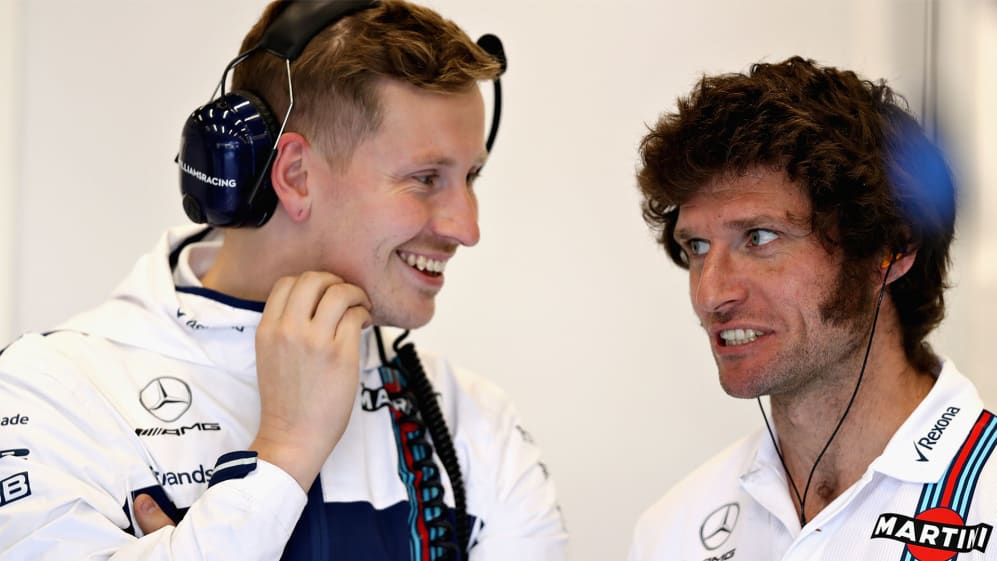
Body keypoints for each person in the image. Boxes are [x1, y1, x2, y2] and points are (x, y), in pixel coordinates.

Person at [0, 1, 566, 560]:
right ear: (295, 176)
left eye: (471, 177)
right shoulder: (52, 396)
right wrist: (285, 452)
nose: (467, 228)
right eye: (425, 179)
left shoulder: (474, 418)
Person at [626, 57, 990, 561]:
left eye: (759, 237)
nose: (711, 295)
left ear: (891, 249)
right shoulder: (672, 531)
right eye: (698, 247)